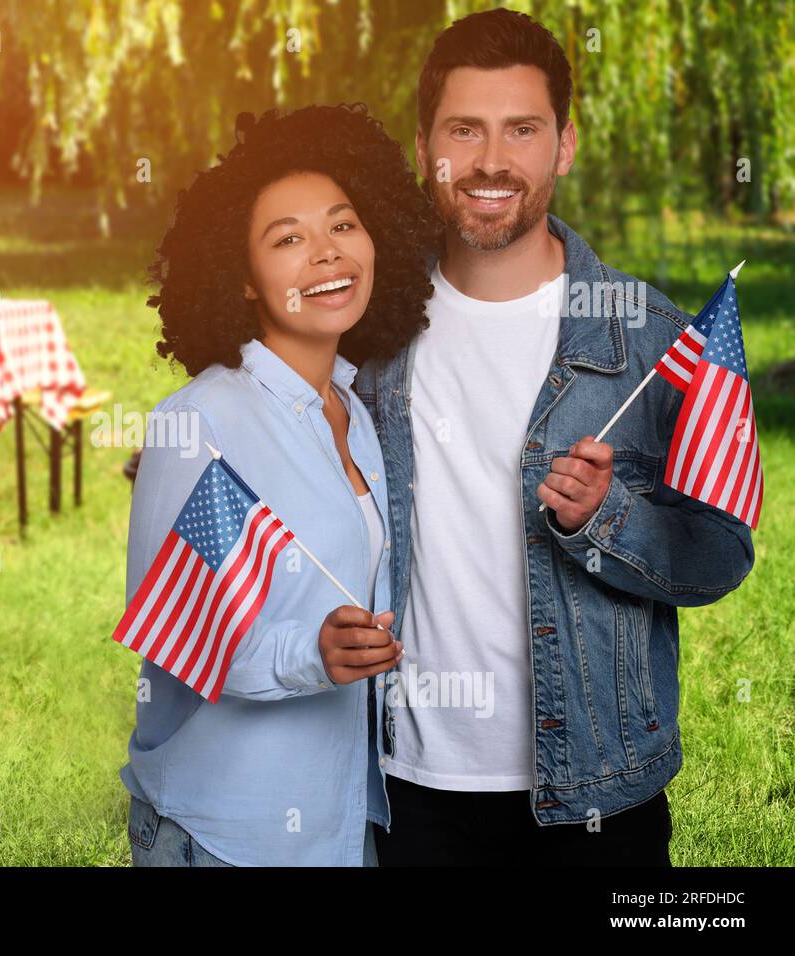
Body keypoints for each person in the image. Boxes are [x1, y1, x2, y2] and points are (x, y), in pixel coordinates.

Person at [354, 7, 756, 866]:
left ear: (563, 145)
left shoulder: (653, 340)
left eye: (522, 130)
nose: (493, 161)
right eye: (466, 129)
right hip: (403, 786)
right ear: (427, 145)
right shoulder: (368, 329)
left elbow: (720, 555)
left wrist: (606, 521)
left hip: (598, 799)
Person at [120, 103, 440, 866]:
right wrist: (313, 654)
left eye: (343, 225)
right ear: (242, 280)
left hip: (341, 826)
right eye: (288, 239)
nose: (327, 254)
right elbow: (179, 638)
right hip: (225, 835)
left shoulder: (353, 413)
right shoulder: (203, 421)